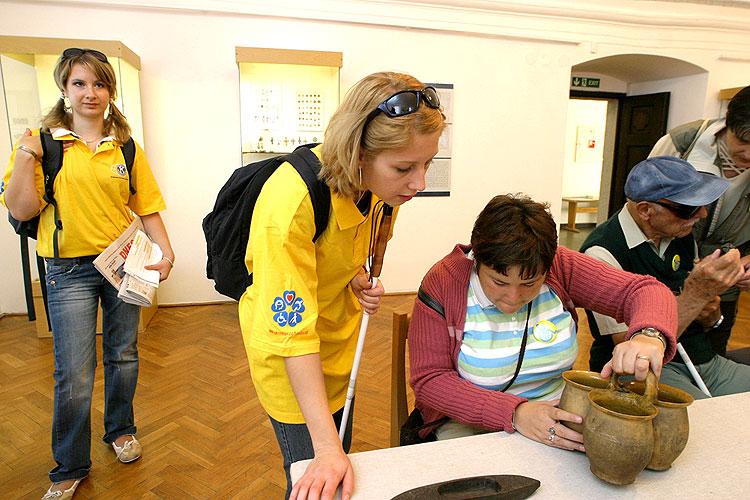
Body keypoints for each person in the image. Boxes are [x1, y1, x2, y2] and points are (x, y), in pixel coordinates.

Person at [239, 71, 445, 500]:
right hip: (292, 361)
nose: (419, 183)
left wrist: (353, 276)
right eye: (405, 168)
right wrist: (326, 447)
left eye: (428, 163)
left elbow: (335, 245)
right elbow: (292, 337)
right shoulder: (290, 204)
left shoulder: (380, 189)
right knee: (317, 480)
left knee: (338, 455)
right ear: (358, 153)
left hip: (338, 346)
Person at [0, 48, 174, 500]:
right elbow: (21, 209)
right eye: (80, 84)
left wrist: (167, 252)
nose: (90, 93)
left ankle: (120, 430)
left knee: (124, 355)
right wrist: (24, 157)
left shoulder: (126, 147)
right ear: (65, 89)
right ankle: (70, 465)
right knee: (74, 372)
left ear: (111, 93)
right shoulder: (44, 143)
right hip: (68, 271)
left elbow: (147, 206)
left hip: (123, 263)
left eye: (99, 84)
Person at [408, 193, 677, 451]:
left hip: (556, 414)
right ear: (477, 261)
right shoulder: (445, 282)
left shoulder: (560, 266)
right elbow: (430, 380)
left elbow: (645, 291)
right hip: (468, 421)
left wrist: (649, 334)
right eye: (499, 282)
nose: (513, 297)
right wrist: (515, 413)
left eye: (529, 284)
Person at [581, 156, 750, 400]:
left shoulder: (679, 232)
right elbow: (634, 350)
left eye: (702, 204)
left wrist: (712, 314)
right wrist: (696, 294)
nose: (701, 214)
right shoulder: (601, 253)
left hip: (700, 359)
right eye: (688, 208)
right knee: (705, 422)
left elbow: (704, 317)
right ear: (646, 209)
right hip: (642, 371)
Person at [649, 85, 750, 356]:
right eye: (744, 140)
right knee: (655, 348)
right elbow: (644, 205)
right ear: (727, 124)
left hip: (723, 286)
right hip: (665, 274)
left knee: (709, 355)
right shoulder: (682, 143)